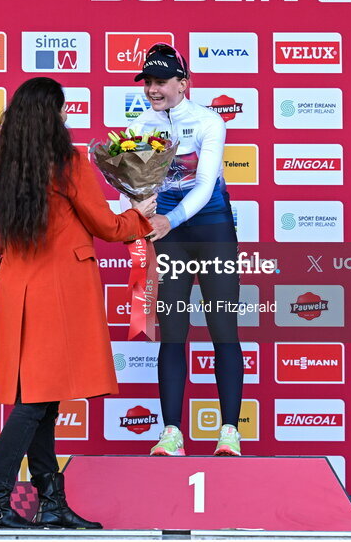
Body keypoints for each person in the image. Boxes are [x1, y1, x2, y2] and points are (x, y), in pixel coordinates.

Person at [0, 77, 155, 529]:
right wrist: (142, 214)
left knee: (42, 401)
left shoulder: (2, 166)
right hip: (57, 295)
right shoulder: (67, 160)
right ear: (50, 116)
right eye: (61, 111)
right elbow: (107, 226)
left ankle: (51, 504)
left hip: (17, 292)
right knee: (36, 404)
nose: (66, 118)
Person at [129, 43, 244, 458]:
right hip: (171, 236)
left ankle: (229, 431)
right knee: (173, 332)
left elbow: (205, 183)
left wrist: (166, 220)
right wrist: (137, 208)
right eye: (148, 83)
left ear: (183, 83)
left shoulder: (209, 121)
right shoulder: (141, 125)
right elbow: (138, 183)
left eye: (161, 82)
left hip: (210, 227)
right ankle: (172, 433)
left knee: (223, 328)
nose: (153, 90)